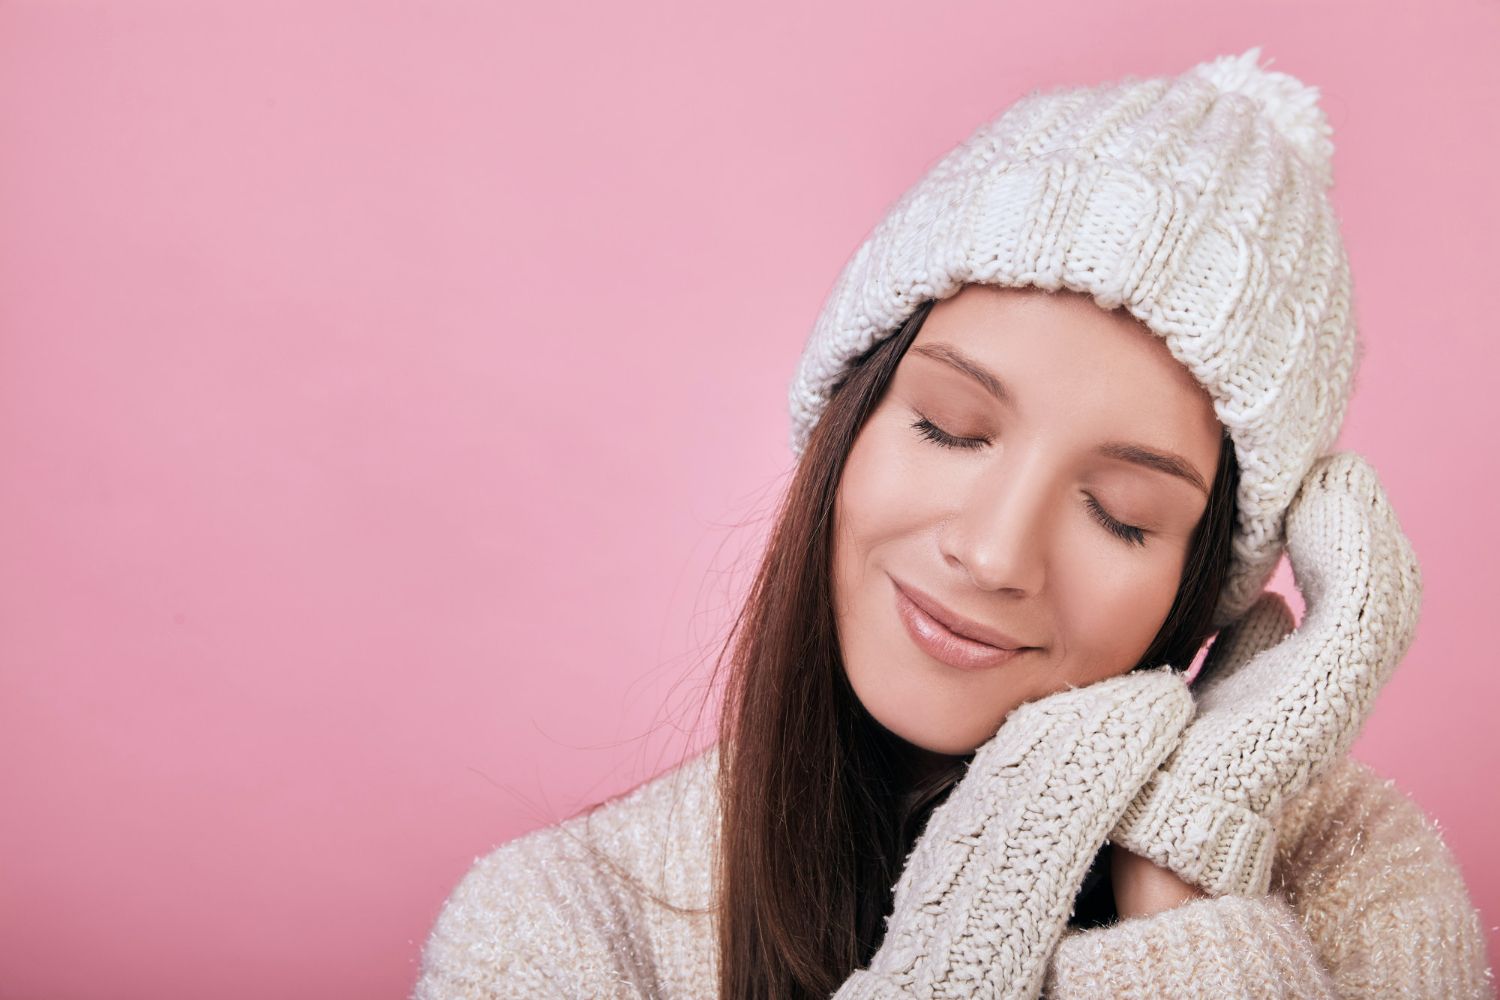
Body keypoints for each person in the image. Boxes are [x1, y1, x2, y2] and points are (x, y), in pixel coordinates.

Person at [412, 48, 1493, 999]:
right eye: (950, 427)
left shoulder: (1357, 877)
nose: (992, 552)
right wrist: (966, 948)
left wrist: (1181, 872)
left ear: (1202, 579)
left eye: (1121, 516)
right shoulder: (558, 930)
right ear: (850, 420)